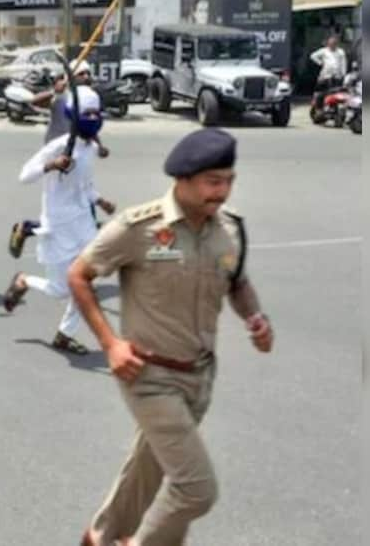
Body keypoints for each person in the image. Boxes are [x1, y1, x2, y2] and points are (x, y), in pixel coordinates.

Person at [70, 129, 274, 546]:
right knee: (196, 489)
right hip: (148, 375)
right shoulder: (138, 228)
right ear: (183, 179)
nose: (222, 191)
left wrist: (254, 316)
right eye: (212, 181)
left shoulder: (230, 229)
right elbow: (79, 275)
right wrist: (112, 343)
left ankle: (99, 537)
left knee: (147, 470)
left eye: (228, 180)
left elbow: (237, 282)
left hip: (199, 376)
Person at [2, 91, 116, 354]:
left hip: (83, 224)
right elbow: (24, 176)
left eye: (96, 113)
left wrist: (100, 201)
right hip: (58, 224)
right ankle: (23, 281)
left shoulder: (90, 148)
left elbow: (84, 186)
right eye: (87, 113)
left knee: (84, 284)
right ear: (75, 117)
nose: (93, 118)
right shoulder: (58, 146)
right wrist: (51, 165)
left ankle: (64, 335)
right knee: (59, 291)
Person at [10, 62, 109, 258]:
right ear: (71, 77)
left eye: (89, 73)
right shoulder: (62, 95)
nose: (87, 77)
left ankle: (31, 230)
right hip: (58, 157)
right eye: (82, 74)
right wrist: (53, 91)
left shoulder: (87, 99)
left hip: (79, 157)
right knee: (71, 215)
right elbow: (34, 102)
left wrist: (99, 145)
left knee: (75, 212)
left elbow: (87, 128)